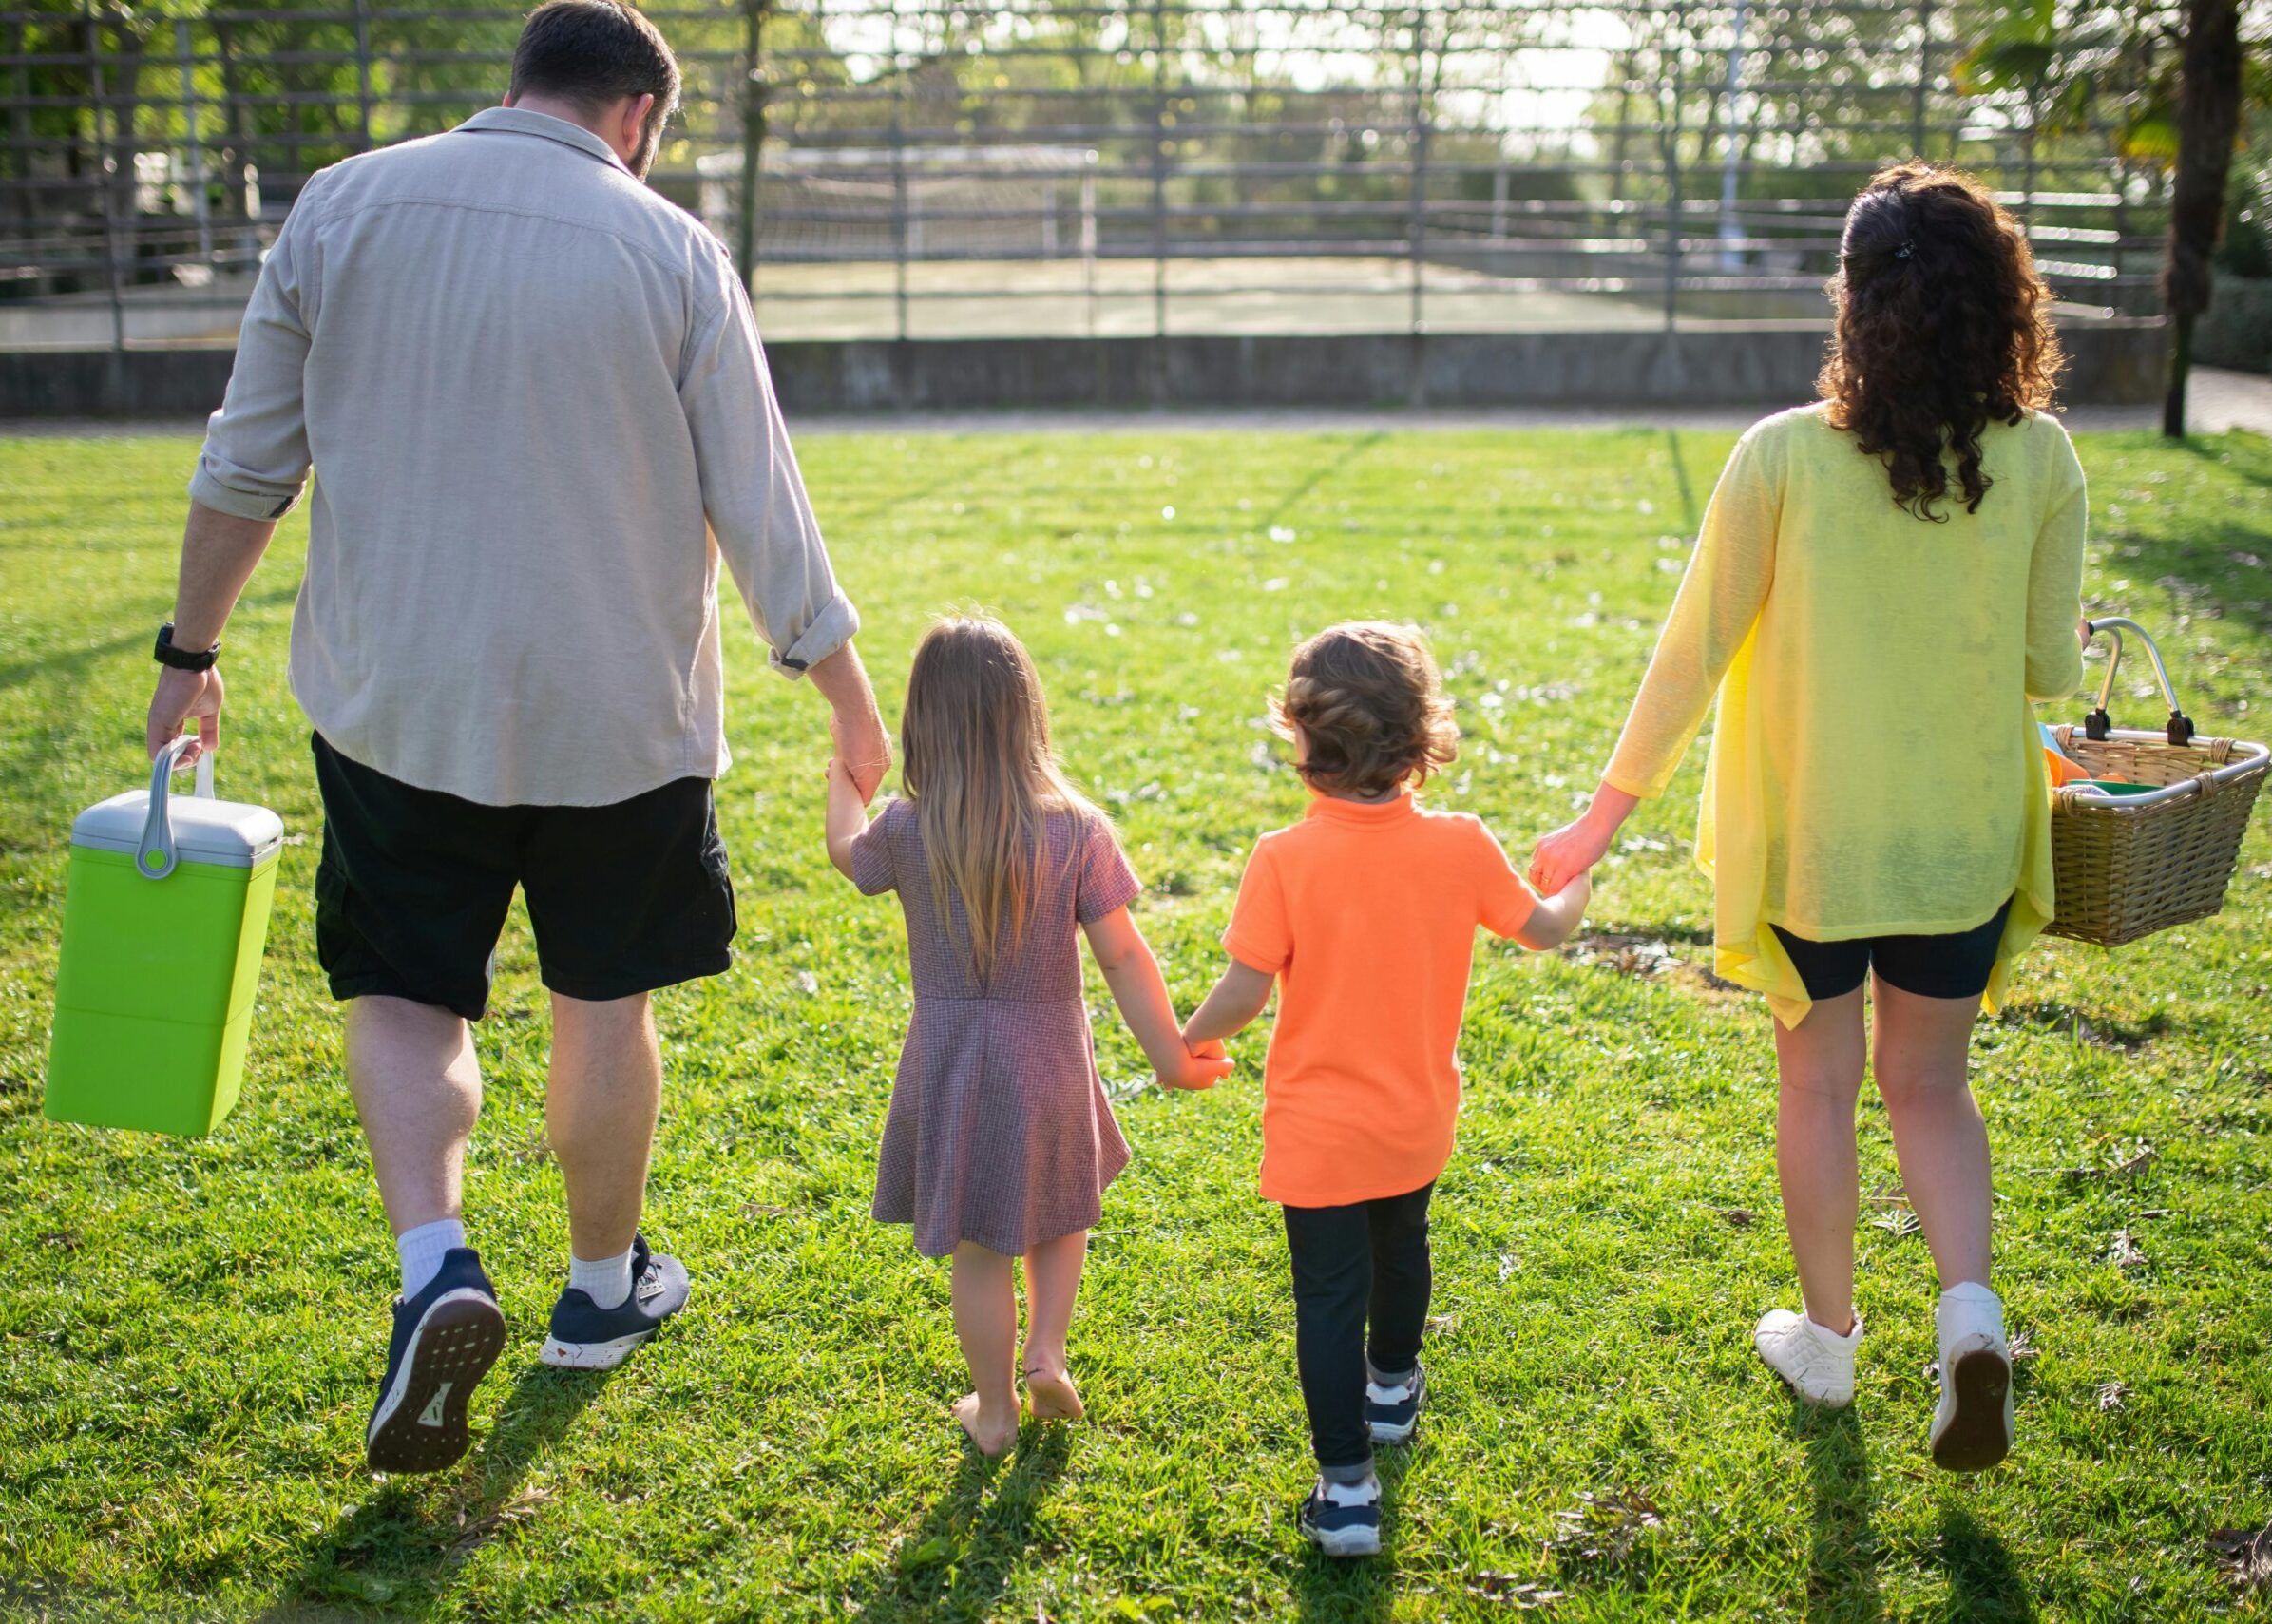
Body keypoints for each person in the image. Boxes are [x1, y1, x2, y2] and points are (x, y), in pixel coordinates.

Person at [142, 0, 888, 1475]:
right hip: (619, 716)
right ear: (635, 119)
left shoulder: (340, 206)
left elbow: (247, 462)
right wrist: (850, 707)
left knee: (409, 993)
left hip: (395, 704)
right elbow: (764, 509)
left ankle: (435, 1261)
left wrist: (188, 656)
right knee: (605, 1001)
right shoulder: (670, 249)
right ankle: (601, 1296)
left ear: (518, 86)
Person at [1529, 162, 2088, 1473]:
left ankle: (1829, 1339)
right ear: (1998, 304)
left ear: (1854, 303)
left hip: (1813, 851)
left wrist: (1596, 823)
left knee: (1818, 1084)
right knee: (1931, 1091)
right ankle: (1967, 1320)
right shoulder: (2044, 456)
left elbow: (1686, 658)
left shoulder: (1777, 456)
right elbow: (2048, 669)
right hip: (1957, 845)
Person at [1176, 623, 1591, 1557]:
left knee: (1328, 1297)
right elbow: (1542, 928)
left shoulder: (1282, 856)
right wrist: (1577, 885)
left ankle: (1349, 1487)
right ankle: (1394, 1387)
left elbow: (1243, 990)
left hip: (1318, 1132)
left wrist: (1185, 1034)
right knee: (1402, 1248)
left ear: (1302, 735)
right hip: (1414, 1119)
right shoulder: (1460, 843)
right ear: (1420, 736)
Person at [823, 617, 1230, 1458]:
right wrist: (1171, 1058)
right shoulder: (1074, 827)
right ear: (1025, 715)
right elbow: (1122, 954)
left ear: (920, 722)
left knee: (978, 1251)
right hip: (1048, 1060)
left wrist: (844, 775)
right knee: (1059, 1207)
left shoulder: (906, 826)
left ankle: (996, 1409)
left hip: (951, 1063)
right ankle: (1047, 1350)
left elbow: (842, 851)